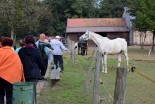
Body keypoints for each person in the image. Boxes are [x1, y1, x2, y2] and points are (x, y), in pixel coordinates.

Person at [0, 37, 25, 104]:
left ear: (1, 44)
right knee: (10, 96)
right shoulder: (14, 54)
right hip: (11, 78)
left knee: (0, 95)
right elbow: (20, 66)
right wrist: (22, 79)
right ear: (11, 45)